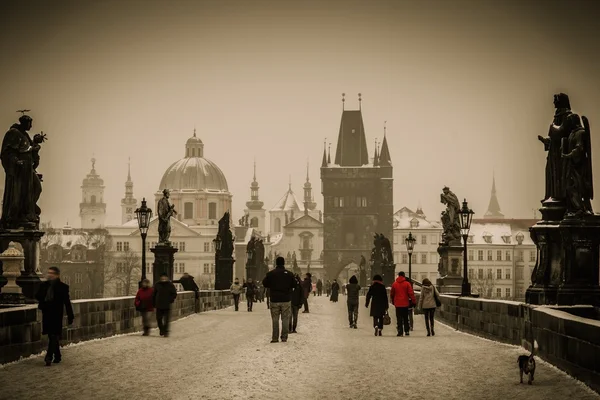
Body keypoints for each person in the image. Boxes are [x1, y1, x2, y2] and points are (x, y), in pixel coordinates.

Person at [35, 266, 74, 366]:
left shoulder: (63, 287)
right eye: (49, 273)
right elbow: (37, 296)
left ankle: (48, 357)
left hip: (56, 314)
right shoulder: (44, 285)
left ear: (57, 275)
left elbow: (67, 302)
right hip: (47, 314)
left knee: (53, 335)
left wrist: (70, 315)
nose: (50, 275)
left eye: (52, 273)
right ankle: (58, 356)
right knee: (51, 335)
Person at [262, 256, 297, 343]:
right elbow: (294, 285)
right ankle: (284, 337)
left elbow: (265, 283)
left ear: (275, 263)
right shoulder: (289, 274)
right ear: (284, 263)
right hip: (286, 299)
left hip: (274, 299)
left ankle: (275, 338)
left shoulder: (271, 274)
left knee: (275, 319)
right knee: (285, 319)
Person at [390, 271, 417, 337]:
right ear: (404, 276)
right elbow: (411, 294)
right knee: (405, 318)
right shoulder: (407, 284)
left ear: (398, 276)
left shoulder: (394, 284)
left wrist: (393, 301)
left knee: (399, 318)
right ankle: (407, 331)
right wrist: (413, 301)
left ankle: (400, 331)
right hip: (405, 304)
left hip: (398, 304)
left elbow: (392, 294)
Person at [153, 273, 177, 337]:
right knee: (159, 319)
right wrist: (154, 303)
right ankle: (161, 329)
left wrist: (170, 300)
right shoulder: (157, 284)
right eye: (162, 278)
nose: (163, 279)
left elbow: (174, 293)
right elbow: (154, 294)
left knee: (166, 319)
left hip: (167, 304)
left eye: (165, 277)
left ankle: (165, 331)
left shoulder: (170, 285)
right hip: (159, 304)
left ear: (167, 278)